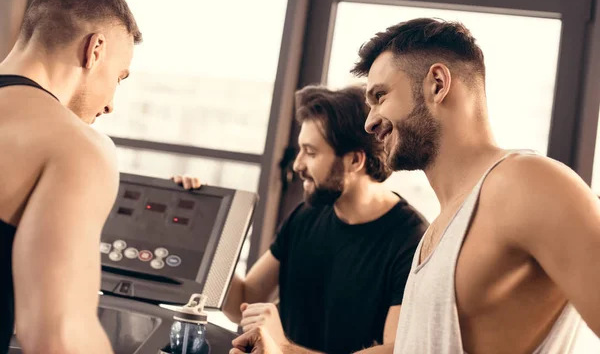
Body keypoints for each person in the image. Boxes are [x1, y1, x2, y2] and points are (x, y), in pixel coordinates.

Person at [231, 18, 600, 354]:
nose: (369, 122)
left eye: (380, 97)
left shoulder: (527, 183)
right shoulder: (439, 230)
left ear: (437, 84)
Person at [179, 85, 427, 354]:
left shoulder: (411, 241)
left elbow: (395, 351)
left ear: (355, 160)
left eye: (310, 153)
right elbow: (244, 301)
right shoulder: (307, 215)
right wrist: (200, 224)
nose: (297, 165)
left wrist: (283, 348)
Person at [0, 0, 141, 354]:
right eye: (119, 77)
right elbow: (56, 337)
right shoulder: (77, 147)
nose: (111, 103)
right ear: (95, 50)